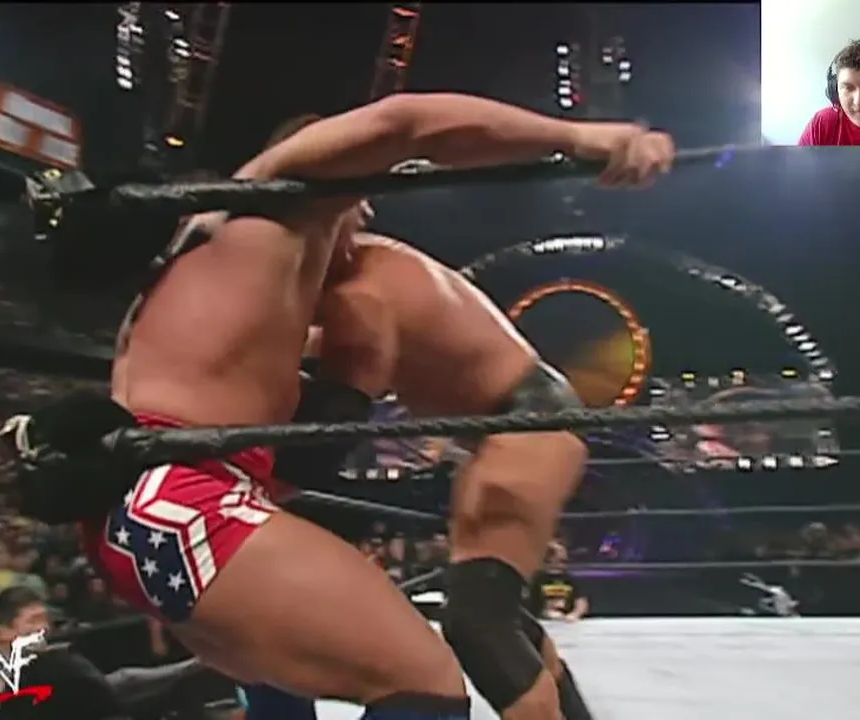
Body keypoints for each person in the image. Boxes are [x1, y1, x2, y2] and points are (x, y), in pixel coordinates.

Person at [16, 93, 674, 720]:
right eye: (361, 194)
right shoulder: (270, 201)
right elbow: (405, 121)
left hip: (140, 509)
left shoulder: (220, 256)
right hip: (183, 502)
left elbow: (295, 447)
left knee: (276, 673)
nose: (366, 214)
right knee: (426, 683)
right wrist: (580, 137)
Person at [254, 220, 663, 720]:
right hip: (505, 431)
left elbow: (340, 414)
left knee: (477, 626)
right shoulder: (376, 273)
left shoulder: (361, 294)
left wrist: (258, 487)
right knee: (499, 610)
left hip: (527, 424)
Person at [0, 587, 130, 720]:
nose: (43, 627)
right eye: (33, 620)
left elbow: (106, 704)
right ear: (3, 632)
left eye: (45, 619)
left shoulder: (68, 665)